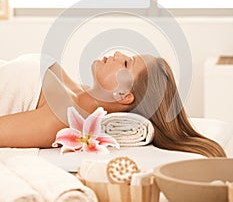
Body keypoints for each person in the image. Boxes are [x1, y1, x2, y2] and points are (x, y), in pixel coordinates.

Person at [0, 51, 226, 157]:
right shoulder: (73, 89)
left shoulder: (62, 117)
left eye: (126, 62)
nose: (117, 53)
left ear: (124, 95)